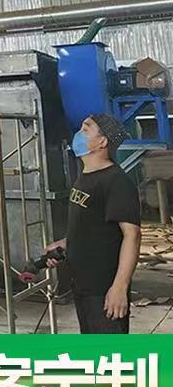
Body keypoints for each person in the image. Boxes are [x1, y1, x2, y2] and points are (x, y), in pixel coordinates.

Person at [46, 113, 141, 334]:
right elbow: (92, 226)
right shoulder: (84, 177)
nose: (78, 134)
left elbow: (132, 235)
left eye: (86, 129)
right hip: (82, 286)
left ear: (102, 142)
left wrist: (119, 287)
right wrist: (65, 244)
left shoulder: (116, 182)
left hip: (104, 289)